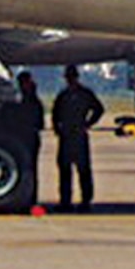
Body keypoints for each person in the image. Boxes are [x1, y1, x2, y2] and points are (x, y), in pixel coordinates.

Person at [49, 64, 105, 211]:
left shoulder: (80, 94)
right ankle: (66, 201)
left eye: (70, 77)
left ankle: (85, 201)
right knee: (66, 170)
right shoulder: (66, 95)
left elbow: (98, 109)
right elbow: (55, 114)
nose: (69, 80)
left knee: (82, 170)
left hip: (76, 134)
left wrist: (88, 123)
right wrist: (57, 128)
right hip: (69, 135)